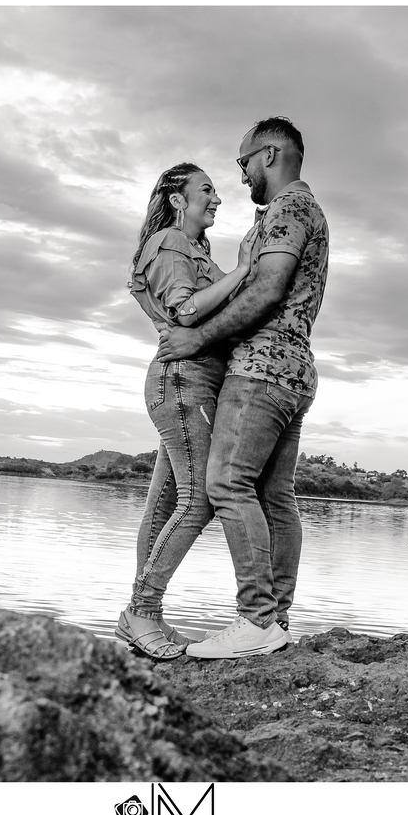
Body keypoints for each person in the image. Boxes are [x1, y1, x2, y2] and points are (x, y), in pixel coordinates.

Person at [156, 117, 329, 660]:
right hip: (294, 370)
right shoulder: (300, 211)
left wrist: (197, 338)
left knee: (227, 483)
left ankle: (255, 619)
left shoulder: (289, 209)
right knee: (275, 497)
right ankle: (275, 620)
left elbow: (270, 287)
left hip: (261, 368)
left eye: (244, 162)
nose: (241, 175)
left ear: (269, 154)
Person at [116, 162, 258, 661]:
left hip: (191, 383)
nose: (217, 198)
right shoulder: (171, 242)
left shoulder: (193, 248)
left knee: (165, 504)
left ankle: (145, 617)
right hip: (183, 382)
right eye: (206, 190)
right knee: (198, 500)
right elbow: (185, 309)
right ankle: (141, 610)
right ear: (178, 200)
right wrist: (242, 271)